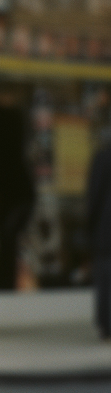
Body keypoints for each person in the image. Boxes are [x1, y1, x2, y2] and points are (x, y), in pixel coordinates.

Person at [87, 138, 111, 340]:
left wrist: (90, 224)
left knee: (105, 275)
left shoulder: (102, 156)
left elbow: (93, 195)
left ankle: (106, 324)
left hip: (105, 227)